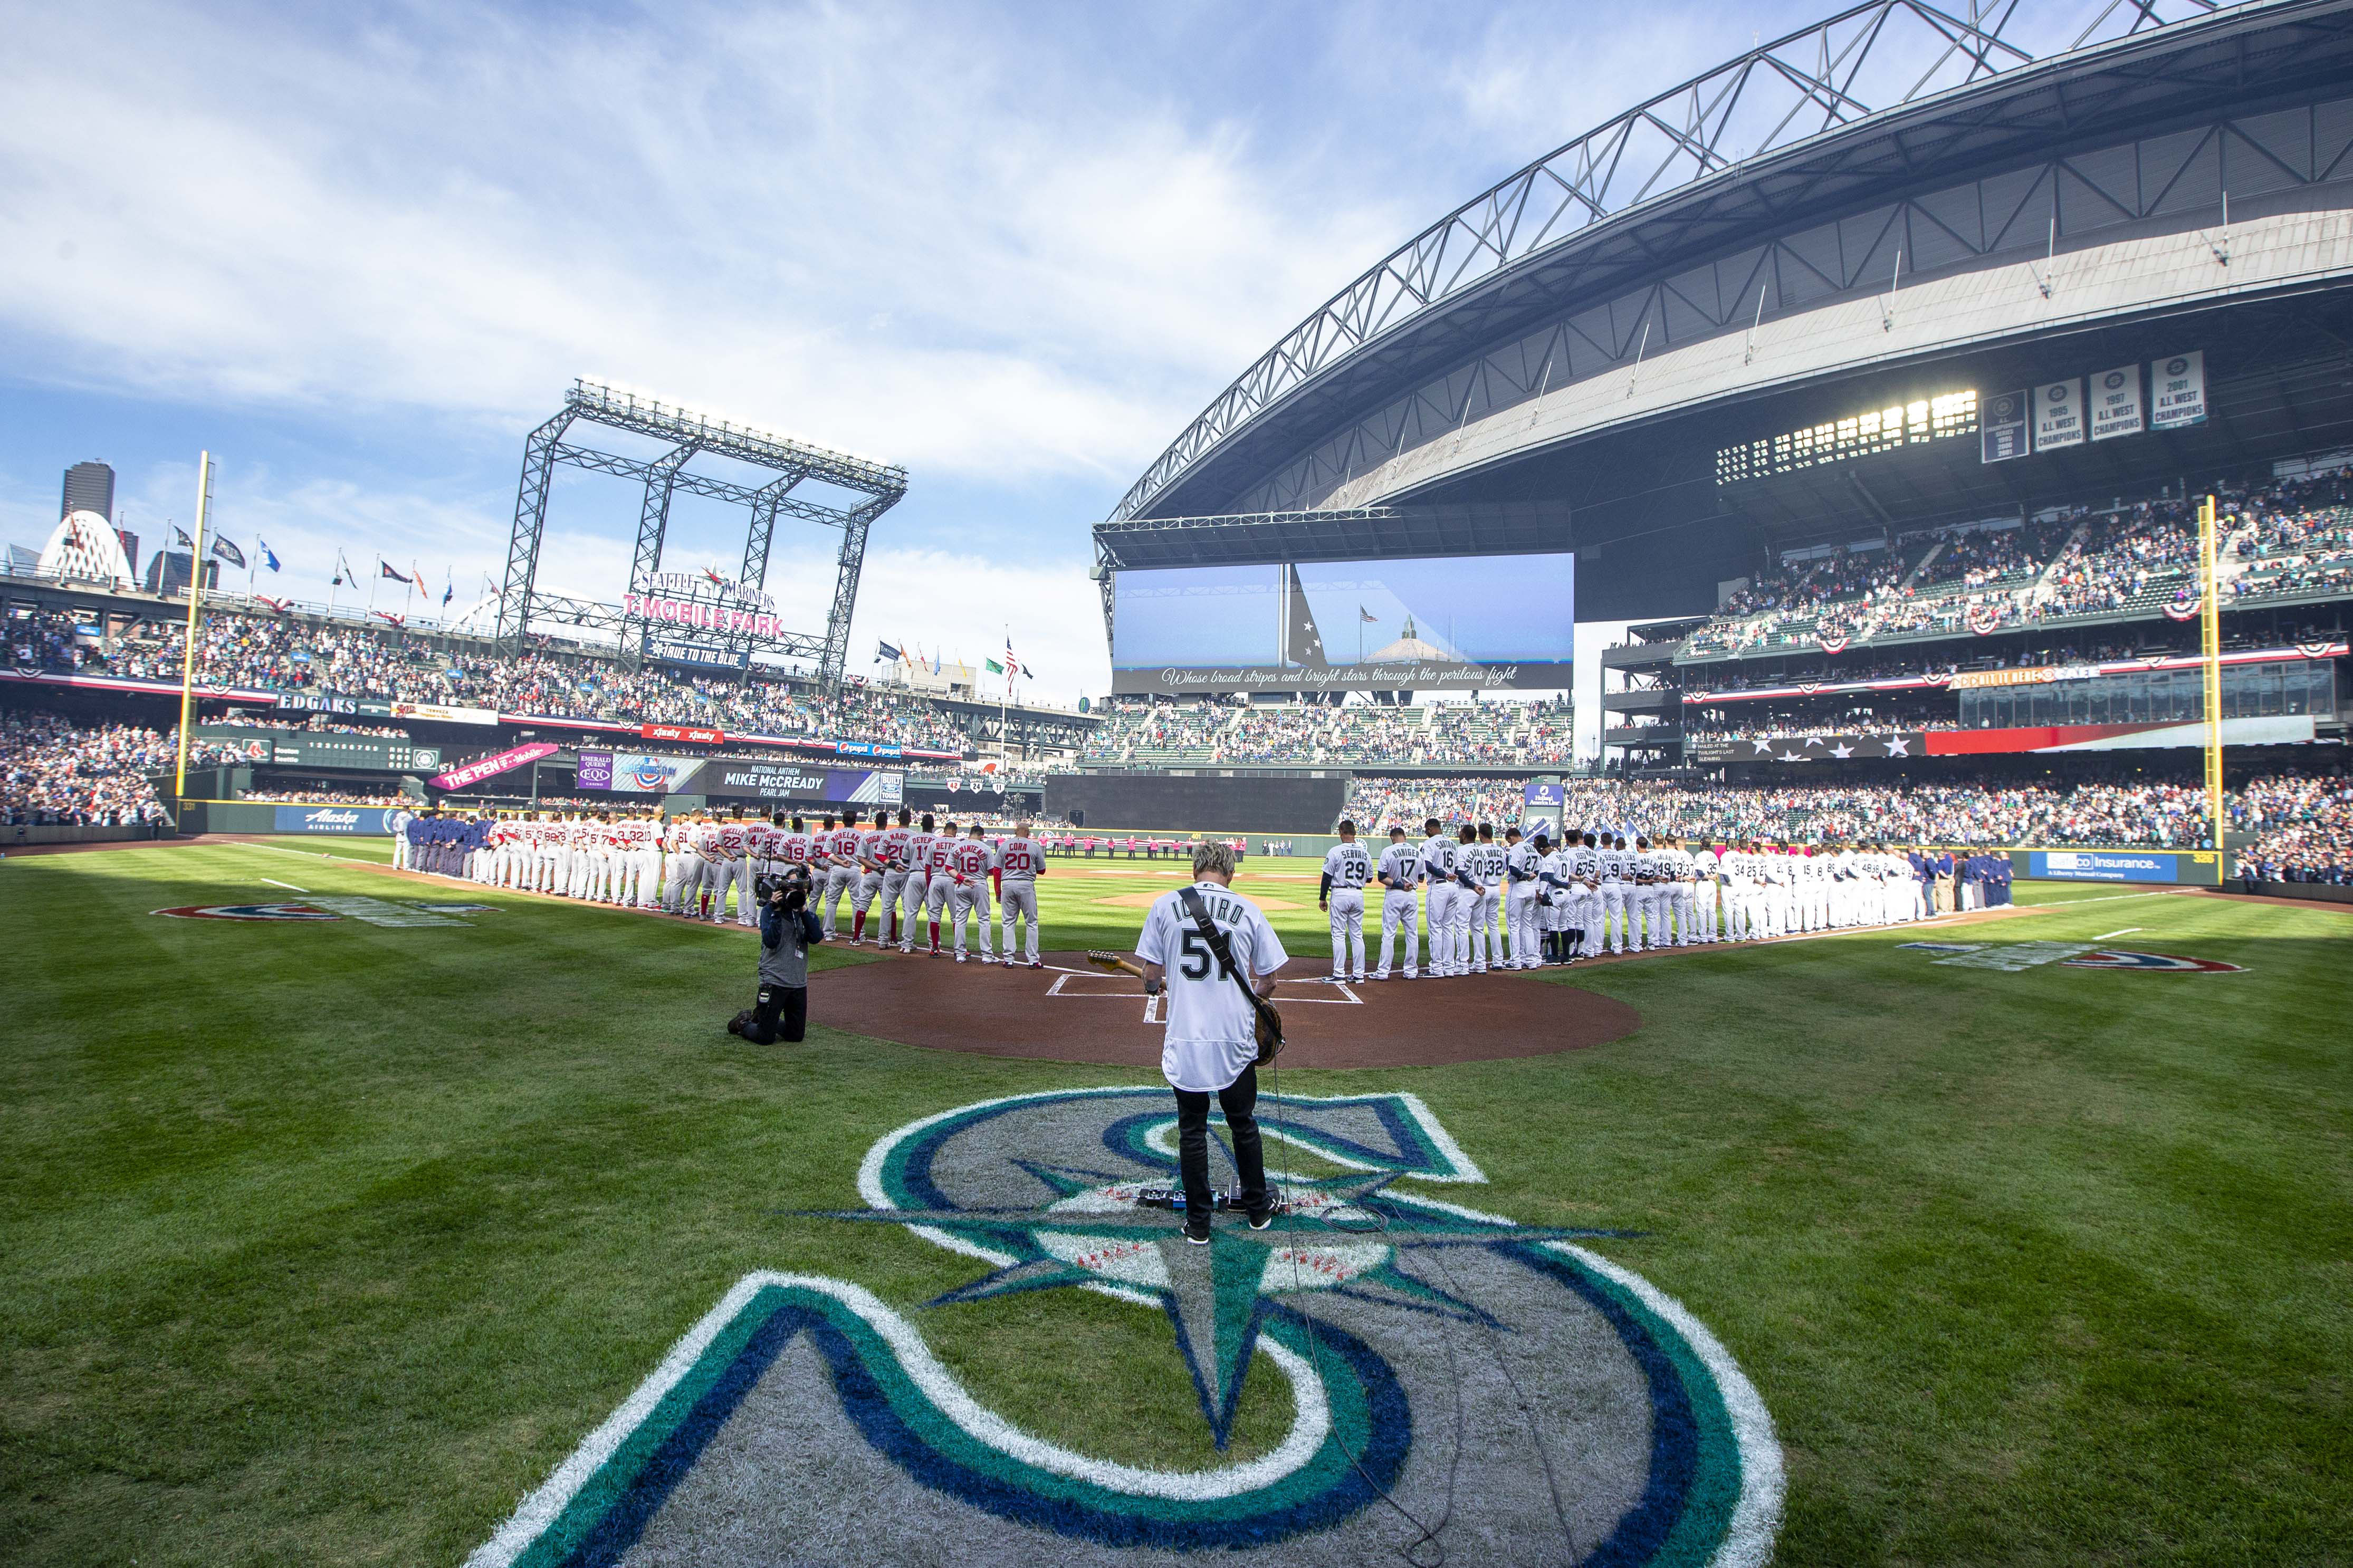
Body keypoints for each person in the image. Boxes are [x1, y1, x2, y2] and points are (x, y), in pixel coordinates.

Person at [1134, 840, 1284, 1242]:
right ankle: (1257, 1212)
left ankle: (1199, 1224)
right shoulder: (1249, 910)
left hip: (1186, 1040)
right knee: (1243, 1126)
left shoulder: (1165, 906)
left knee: (1192, 1130)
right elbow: (1269, 979)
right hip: (1235, 1040)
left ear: (1194, 869)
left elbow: (1151, 978)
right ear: (1230, 873)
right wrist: (1253, 994)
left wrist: (1156, 985)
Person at [731, 865, 825, 1044]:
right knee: (765, 1038)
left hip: (798, 982)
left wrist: (803, 910)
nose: (794, 892)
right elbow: (771, 941)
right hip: (774, 980)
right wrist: (776, 910)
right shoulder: (769, 911)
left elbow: (816, 937)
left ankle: (763, 1019)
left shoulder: (806, 915)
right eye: (790, 887)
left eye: (798, 888)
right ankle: (742, 1023)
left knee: (796, 1035)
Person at [1318, 819, 1371, 983]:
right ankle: (1358, 974)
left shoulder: (1336, 851)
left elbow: (1327, 877)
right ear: (1355, 833)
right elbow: (1369, 879)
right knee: (1357, 935)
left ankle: (1339, 973)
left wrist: (1322, 898)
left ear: (1341, 832)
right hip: (1358, 894)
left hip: (1340, 893)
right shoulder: (1365, 853)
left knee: (1339, 935)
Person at [1372, 825, 1423, 980]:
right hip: (1412, 895)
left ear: (1393, 838)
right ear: (1405, 837)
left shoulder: (1388, 851)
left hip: (1394, 894)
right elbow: (1421, 879)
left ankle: (1383, 972)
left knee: (1389, 934)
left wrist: (1400, 884)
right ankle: (1411, 971)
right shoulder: (1417, 852)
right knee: (1412, 934)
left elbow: (1382, 877)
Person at [997, 818, 1047, 968]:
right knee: (1031, 922)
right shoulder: (1034, 847)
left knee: (1008, 922)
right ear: (1029, 833)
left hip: (1008, 884)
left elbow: (997, 869)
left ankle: (1008, 960)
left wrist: (998, 892)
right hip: (1026, 885)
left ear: (1015, 832)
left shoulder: (1004, 845)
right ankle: (1033, 960)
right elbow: (1042, 870)